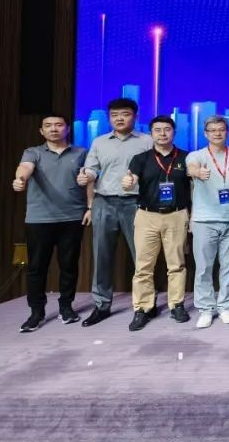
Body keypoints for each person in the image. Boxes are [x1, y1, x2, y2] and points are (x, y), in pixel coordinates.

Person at [77, 97, 154, 327]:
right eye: (114, 115)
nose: (119, 118)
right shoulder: (100, 142)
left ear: (136, 116)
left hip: (136, 204)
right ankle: (102, 305)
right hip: (104, 202)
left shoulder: (147, 141)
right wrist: (87, 179)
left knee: (141, 257)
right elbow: (91, 170)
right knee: (101, 256)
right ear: (109, 118)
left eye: (125, 114)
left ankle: (144, 305)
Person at [12, 114, 93, 332]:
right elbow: (25, 168)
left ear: (68, 128)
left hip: (72, 217)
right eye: (48, 126)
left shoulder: (81, 153)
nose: (53, 129)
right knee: (37, 267)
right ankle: (36, 312)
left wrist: (90, 207)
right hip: (39, 219)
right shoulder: (33, 152)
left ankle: (66, 307)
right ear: (41, 131)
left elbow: (89, 181)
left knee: (69, 266)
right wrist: (20, 179)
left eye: (58, 125)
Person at [125, 116, 193, 331]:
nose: (162, 134)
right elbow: (131, 181)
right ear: (151, 133)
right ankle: (142, 308)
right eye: (157, 130)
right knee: (143, 267)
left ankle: (176, 305)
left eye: (167, 129)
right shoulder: (140, 158)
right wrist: (128, 183)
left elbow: (193, 189)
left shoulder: (186, 158)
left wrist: (191, 216)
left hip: (177, 215)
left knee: (177, 264)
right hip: (147, 216)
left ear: (174, 132)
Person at [186, 115, 229, 329]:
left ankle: (225, 306)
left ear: (227, 132)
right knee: (204, 267)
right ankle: (205, 309)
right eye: (212, 130)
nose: (217, 133)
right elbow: (191, 168)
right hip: (205, 220)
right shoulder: (197, 155)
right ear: (205, 133)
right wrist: (198, 172)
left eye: (221, 129)